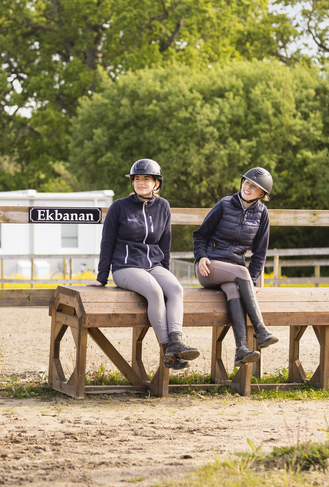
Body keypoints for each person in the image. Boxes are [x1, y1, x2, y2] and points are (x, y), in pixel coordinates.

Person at [86, 159, 199, 370]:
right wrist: (102, 278)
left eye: (146, 179)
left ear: (156, 183)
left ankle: (176, 341)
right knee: (155, 291)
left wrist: (165, 271)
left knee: (175, 288)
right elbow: (107, 243)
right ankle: (168, 350)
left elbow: (165, 243)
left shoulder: (163, 206)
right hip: (125, 267)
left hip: (153, 266)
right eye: (137, 179)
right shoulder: (119, 207)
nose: (140, 182)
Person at [192, 167, 279, 366]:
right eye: (246, 182)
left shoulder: (261, 214)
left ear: (262, 194)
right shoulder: (224, 204)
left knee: (234, 291)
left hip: (234, 275)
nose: (247, 187)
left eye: (254, 186)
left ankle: (241, 349)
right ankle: (261, 330)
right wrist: (201, 257)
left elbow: (260, 252)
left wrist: (252, 280)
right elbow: (199, 235)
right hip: (210, 267)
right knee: (242, 272)